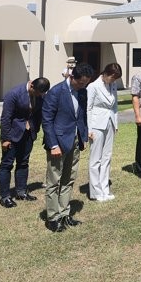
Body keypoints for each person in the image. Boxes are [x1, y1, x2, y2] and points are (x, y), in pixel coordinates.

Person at [41, 63, 94, 232]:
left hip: (75, 141)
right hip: (58, 143)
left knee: (68, 179)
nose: (82, 86)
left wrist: (83, 136)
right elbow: (47, 120)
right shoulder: (56, 92)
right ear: (72, 77)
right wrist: (53, 144)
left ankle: (64, 213)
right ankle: (53, 218)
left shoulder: (83, 92)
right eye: (80, 83)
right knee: (54, 181)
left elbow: (82, 115)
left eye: (85, 84)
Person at [0, 77, 51, 208]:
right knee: (7, 164)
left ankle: (21, 192)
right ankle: (5, 197)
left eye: (42, 94)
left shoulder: (40, 95)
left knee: (23, 163)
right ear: (32, 86)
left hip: (28, 134)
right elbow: (6, 118)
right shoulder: (14, 94)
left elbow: (38, 114)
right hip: (13, 134)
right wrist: (5, 139)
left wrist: (35, 130)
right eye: (38, 93)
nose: (39, 96)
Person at [86, 63, 122, 201]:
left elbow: (115, 105)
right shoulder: (93, 86)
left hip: (110, 123)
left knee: (107, 157)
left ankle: (105, 189)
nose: (113, 81)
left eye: (115, 79)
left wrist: (116, 123)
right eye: (112, 77)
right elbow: (88, 108)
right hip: (96, 124)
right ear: (106, 74)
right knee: (96, 158)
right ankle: (95, 192)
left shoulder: (112, 85)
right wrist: (89, 129)